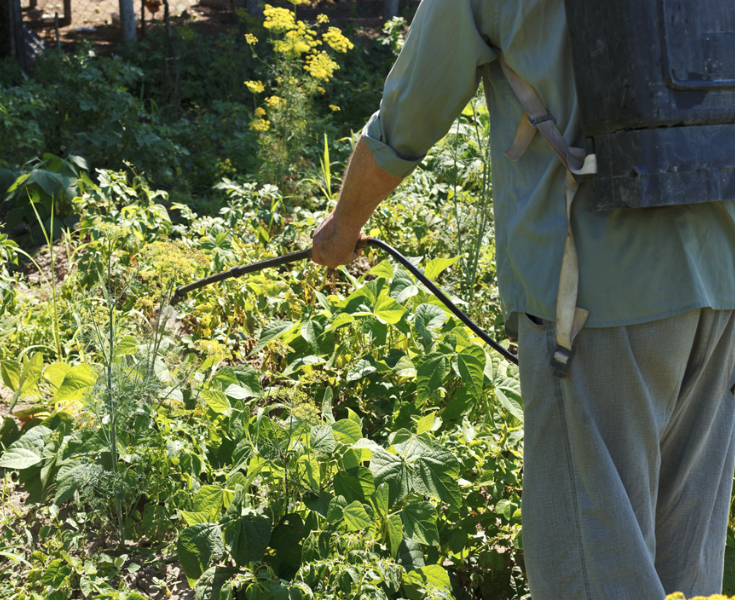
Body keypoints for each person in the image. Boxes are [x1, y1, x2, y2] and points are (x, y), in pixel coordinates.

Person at [310, 0, 735, 598]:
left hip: (596, 295)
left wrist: (343, 225)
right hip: (721, 283)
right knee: (687, 568)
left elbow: (409, 112)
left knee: (594, 565)